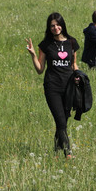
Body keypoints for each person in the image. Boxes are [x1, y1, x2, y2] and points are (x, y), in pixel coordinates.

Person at [26, 12, 79, 159]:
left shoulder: (72, 42)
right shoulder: (46, 45)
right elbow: (40, 69)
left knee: (63, 120)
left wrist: (79, 76)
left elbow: (73, 64)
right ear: (49, 28)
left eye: (57, 24)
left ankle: (56, 153)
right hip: (52, 87)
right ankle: (68, 153)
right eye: (52, 26)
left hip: (69, 87)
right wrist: (33, 55)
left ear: (62, 25)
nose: (55, 28)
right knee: (60, 120)